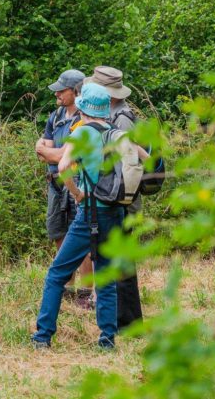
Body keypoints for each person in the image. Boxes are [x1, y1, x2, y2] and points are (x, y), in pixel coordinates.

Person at [32, 82, 125, 350]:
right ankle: (107, 339)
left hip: (90, 212)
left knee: (57, 273)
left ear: (83, 108)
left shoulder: (82, 133)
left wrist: (76, 193)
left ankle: (43, 336)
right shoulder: (114, 133)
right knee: (105, 275)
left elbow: (63, 167)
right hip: (115, 211)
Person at [86, 65, 143, 330]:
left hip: (122, 200)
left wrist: (119, 199)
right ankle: (125, 318)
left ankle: (126, 321)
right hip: (119, 197)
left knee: (121, 262)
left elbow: (131, 165)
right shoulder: (117, 114)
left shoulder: (121, 120)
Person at [34, 69, 94, 308]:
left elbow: (56, 153)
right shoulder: (56, 116)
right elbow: (45, 151)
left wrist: (52, 154)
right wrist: (53, 154)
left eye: (62, 90)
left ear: (75, 91)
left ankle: (85, 291)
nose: (57, 93)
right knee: (58, 233)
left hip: (78, 183)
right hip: (55, 184)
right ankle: (67, 287)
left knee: (83, 236)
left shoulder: (85, 118)